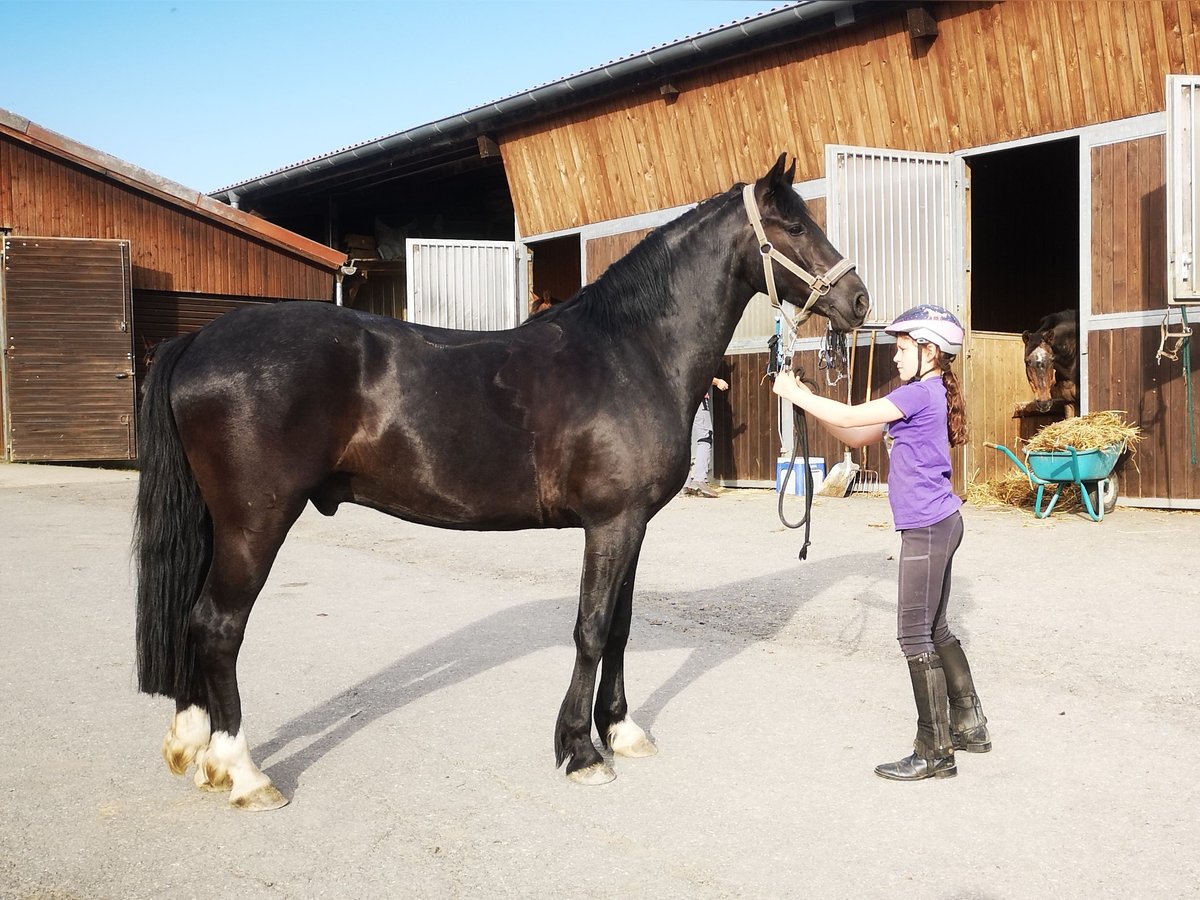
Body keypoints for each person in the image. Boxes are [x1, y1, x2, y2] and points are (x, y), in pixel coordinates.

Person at [772, 305, 990, 781]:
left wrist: (792, 392)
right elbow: (856, 434)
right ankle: (969, 723)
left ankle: (934, 751)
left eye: (904, 348)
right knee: (936, 629)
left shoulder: (918, 394)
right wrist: (805, 397)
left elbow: (851, 413)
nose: (896, 357)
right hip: (940, 524)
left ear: (929, 351)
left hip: (928, 528)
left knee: (914, 635)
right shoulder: (924, 394)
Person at [684, 376, 729, 498]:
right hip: (698, 398)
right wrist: (717, 381)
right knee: (705, 437)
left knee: (687, 439)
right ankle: (699, 479)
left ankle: (685, 483)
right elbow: (699, 372)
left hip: (682, 398)